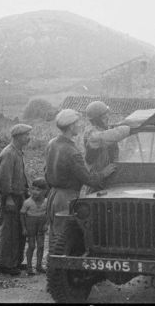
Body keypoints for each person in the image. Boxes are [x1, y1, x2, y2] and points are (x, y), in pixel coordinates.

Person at [45, 109, 116, 247]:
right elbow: (89, 179)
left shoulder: (52, 143)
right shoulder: (72, 151)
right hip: (67, 197)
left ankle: (52, 265)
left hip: (53, 194)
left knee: (55, 234)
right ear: (71, 126)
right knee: (63, 238)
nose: (80, 126)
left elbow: (46, 171)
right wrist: (104, 173)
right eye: (78, 123)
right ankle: (55, 267)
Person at [0, 123, 32, 276]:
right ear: (18, 136)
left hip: (20, 196)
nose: (28, 138)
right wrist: (8, 198)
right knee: (9, 232)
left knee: (19, 231)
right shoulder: (9, 153)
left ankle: (16, 262)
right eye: (26, 135)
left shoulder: (18, 152)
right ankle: (6, 265)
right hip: (11, 198)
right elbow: (4, 179)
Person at [81, 101, 131, 194]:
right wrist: (129, 128)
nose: (107, 117)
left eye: (107, 114)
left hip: (109, 182)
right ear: (96, 119)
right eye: (104, 116)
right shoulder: (91, 133)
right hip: (96, 185)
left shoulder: (104, 130)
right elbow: (107, 136)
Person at [20, 177, 49, 275]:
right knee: (31, 246)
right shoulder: (27, 202)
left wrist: (46, 224)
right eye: (33, 189)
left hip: (41, 226)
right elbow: (22, 215)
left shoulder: (46, 202)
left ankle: (39, 266)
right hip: (31, 226)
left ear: (45, 191)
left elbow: (48, 213)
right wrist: (24, 228)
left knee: (41, 245)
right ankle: (29, 267)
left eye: (38, 190)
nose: (35, 192)